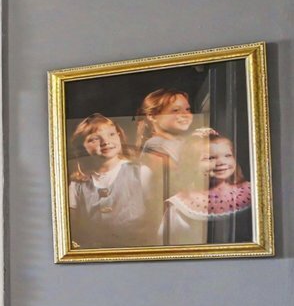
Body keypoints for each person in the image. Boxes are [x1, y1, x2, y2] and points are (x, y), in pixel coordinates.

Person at [66, 113, 159, 247]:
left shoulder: (140, 173)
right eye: (94, 139)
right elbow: (73, 226)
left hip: (137, 248)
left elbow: (155, 217)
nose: (106, 142)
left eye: (111, 134)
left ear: (119, 136)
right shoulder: (78, 184)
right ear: (82, 147)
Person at [160, 129, 252, 245]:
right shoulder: (178, 206)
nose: (221, 162)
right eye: (210, 158)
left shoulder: (252, 192)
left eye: (228, 155)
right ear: (191, 164)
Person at [134, 88, 196, 170]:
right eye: (176, 110)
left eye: (187, 109)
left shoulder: (182, 141)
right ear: (152, 116)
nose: (186, 114)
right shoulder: (154, 145)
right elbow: (177, 177)